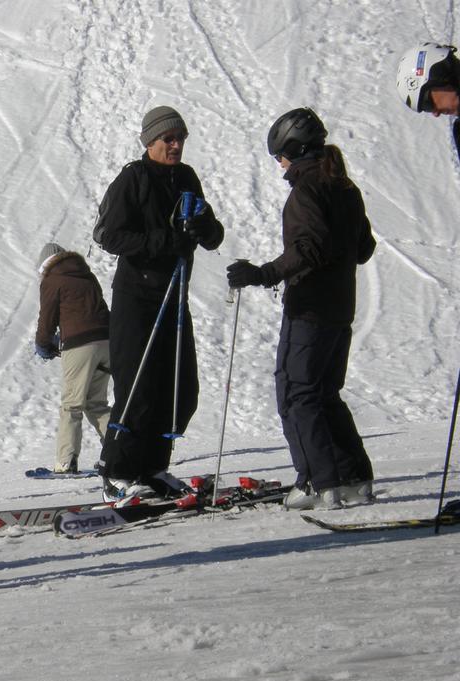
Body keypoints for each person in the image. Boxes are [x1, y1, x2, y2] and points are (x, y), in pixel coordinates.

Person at [227, 107, 375, 510]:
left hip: (309, 309)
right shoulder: (344, 187)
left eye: (280, 155)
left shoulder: (306, 191)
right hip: (340, 309)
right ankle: (354, 477)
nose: (280, 164)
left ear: (295, 149)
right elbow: (364, 248)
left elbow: (308, 248)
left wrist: (262, 273)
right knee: (325, 393)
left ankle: (317, 481)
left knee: (297, 393)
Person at [92, 105, 224, 500]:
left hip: (173, 297)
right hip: (137, 297)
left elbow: (213, 235)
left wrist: (203, 227)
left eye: (180, 137)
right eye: (168, 138)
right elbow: (108, 235)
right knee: (138, 387)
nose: (176, 144)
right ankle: (117, 471)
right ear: (150, 141)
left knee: (179, 388)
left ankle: (152, 467)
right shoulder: (133, 179)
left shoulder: (185, 178)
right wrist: (163, 241)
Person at [34, 242, 111, 474]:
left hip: (79, 346)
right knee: (96, 404)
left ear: (45, 265)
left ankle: (66, 462)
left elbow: (46, 317)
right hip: (107, 342)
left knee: (72, 405)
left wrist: (43, 344)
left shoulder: (52, 279)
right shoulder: (87, 276)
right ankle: (123, 451)